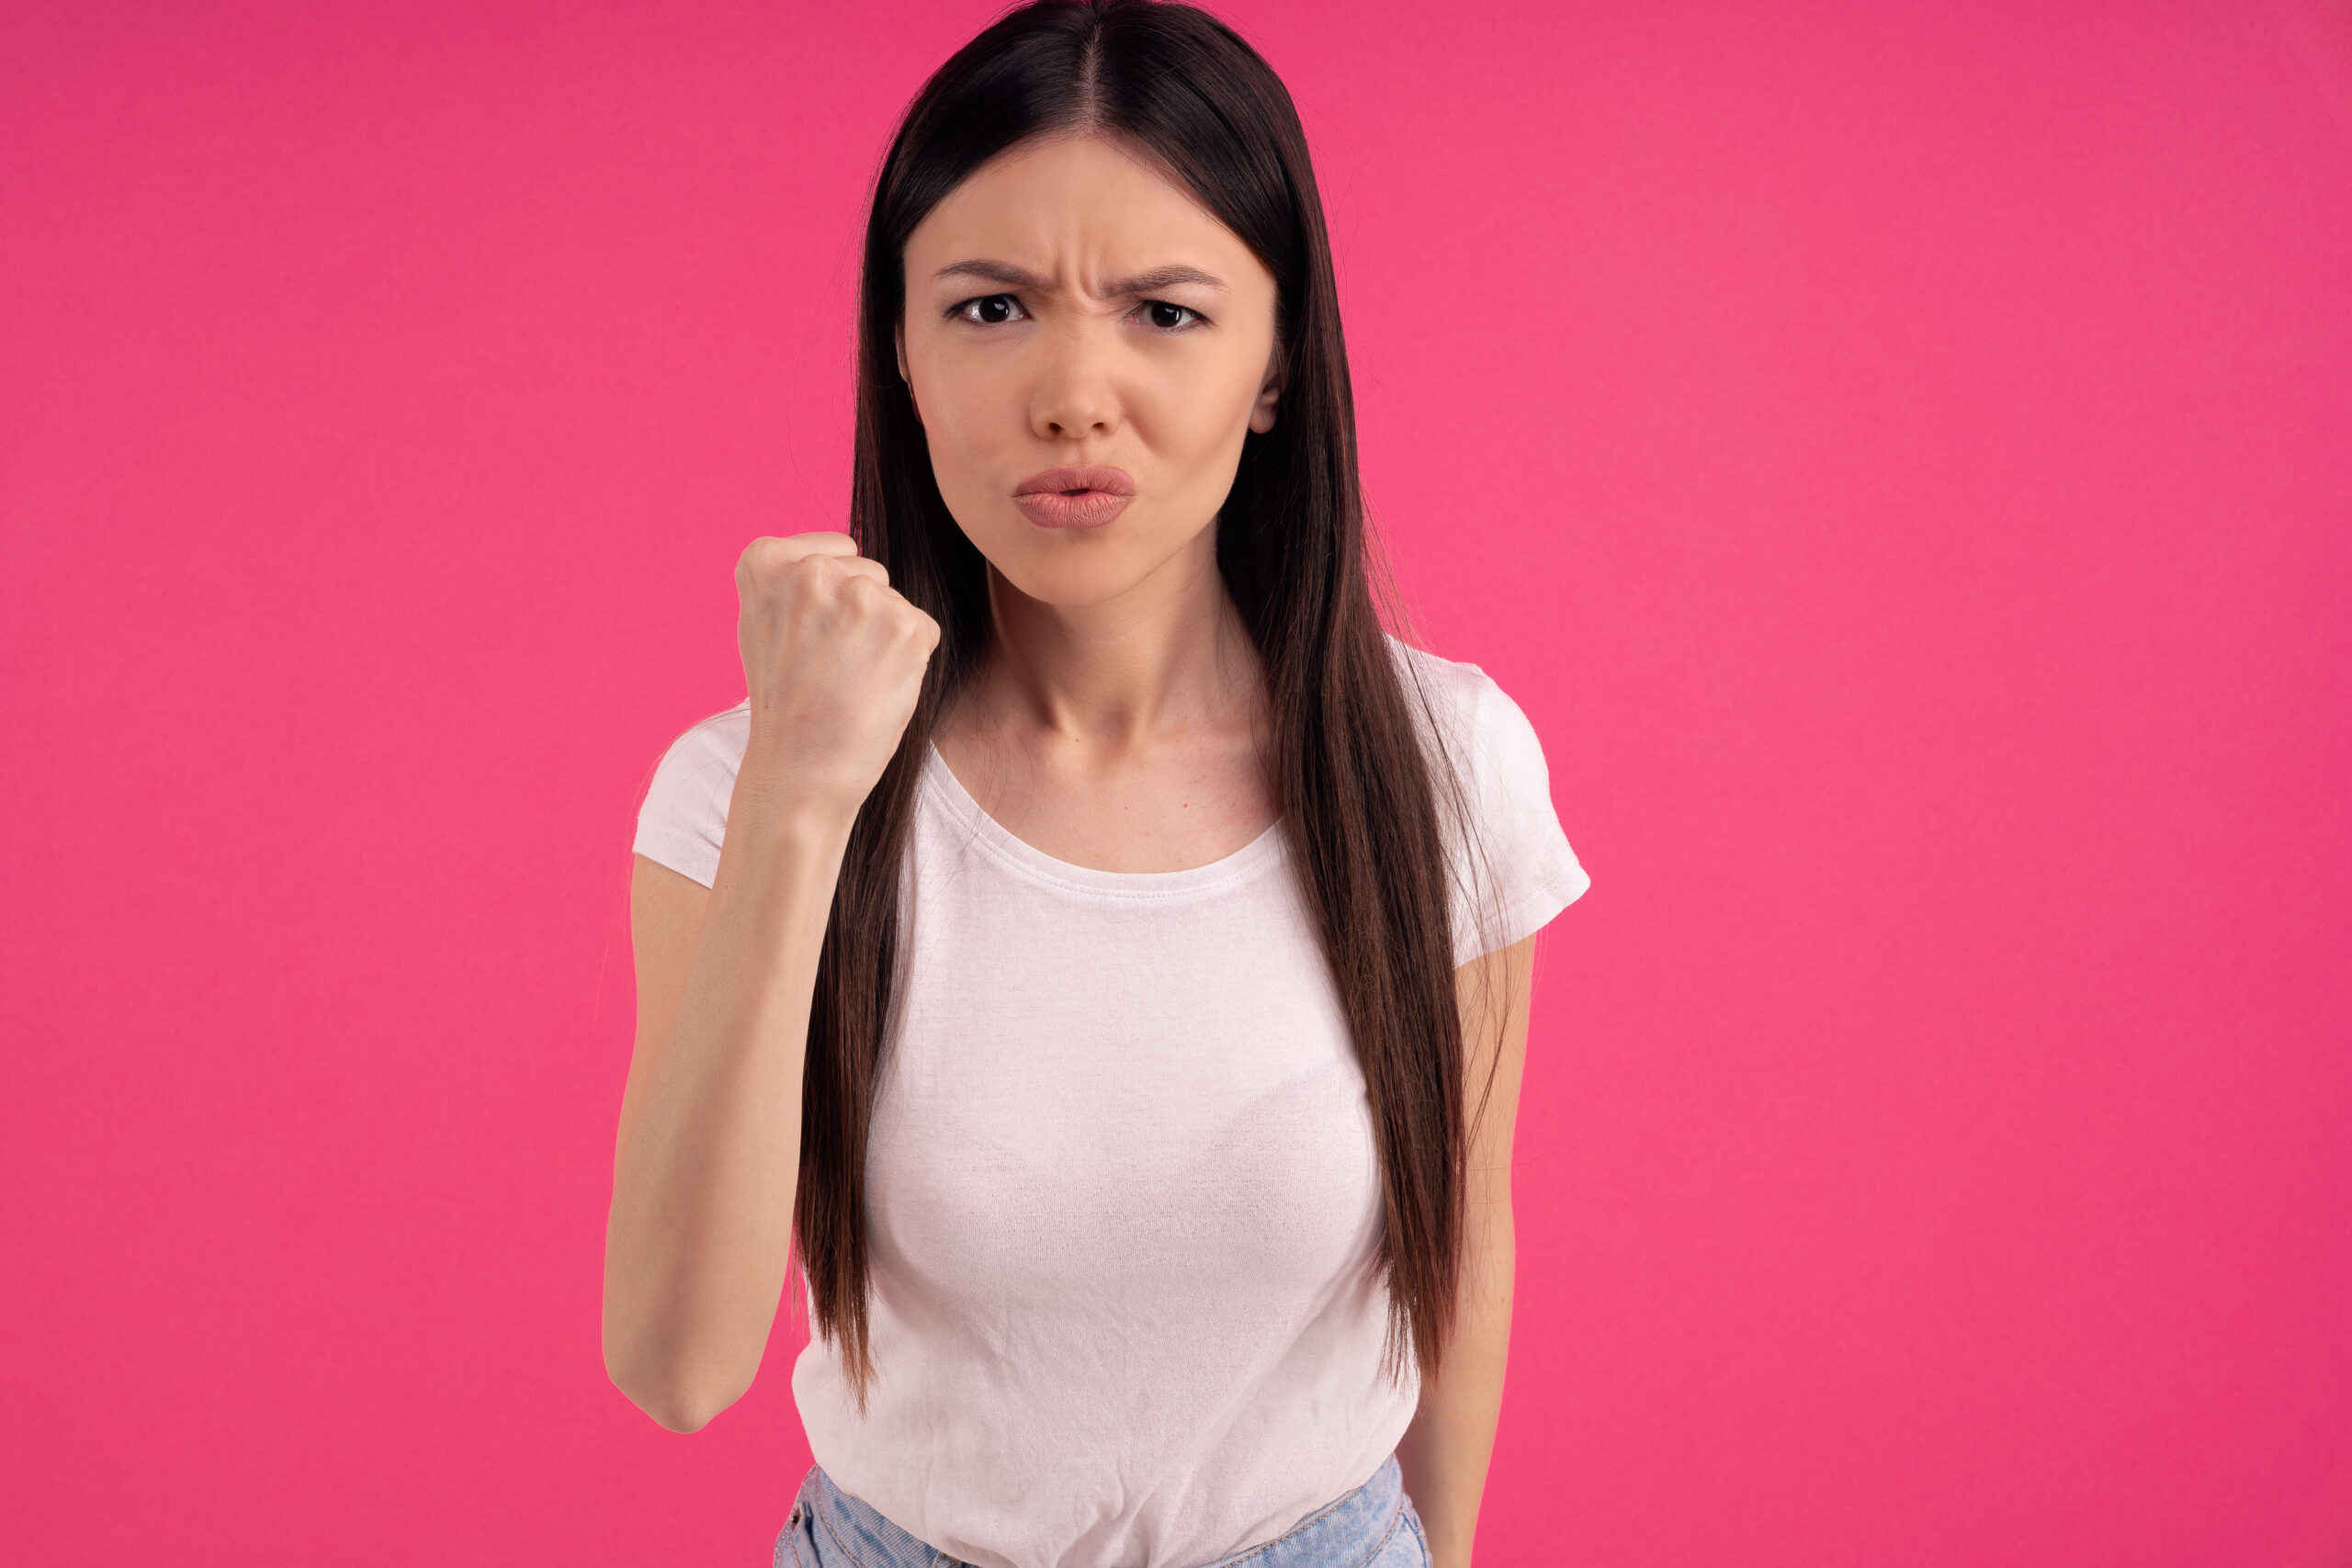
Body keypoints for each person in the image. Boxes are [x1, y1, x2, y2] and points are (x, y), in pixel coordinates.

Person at [603, 4, 1591, 1565]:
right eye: (991, 309)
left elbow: (1462, 1238)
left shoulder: (1445, 766)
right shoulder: (741, 789)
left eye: (1167, 313)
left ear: (1277, 367)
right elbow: (675, 1363)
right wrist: (801, 794)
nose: (1073, 390)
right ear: (906, 359)